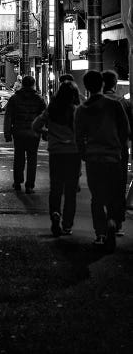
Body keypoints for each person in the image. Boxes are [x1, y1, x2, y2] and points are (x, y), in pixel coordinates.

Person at [75, 69, 130, 252]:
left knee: (97, 196)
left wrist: (84, 153)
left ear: (87, 87)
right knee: (115, 192)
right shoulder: (115, 105)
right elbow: (125, 130)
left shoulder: (82, 109)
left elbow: (79, 136)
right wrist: (118, 147)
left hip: (93, 157)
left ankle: (100, 233)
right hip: (113, 156)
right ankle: (113, 221)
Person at [32, 80, 82, 237]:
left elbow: (35, 125)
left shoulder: (51, 110)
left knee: (56, 188)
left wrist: (46, 133)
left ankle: (55, 213)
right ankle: (67, 225)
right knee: (71, 191)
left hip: (56, 153)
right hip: (73, 154)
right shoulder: (77, 111)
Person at [4, 75, 46, 194]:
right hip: (34, 133)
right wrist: (45, 132)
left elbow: (8, 117)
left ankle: (17, 182)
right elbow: (45, 116)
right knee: (32, 159)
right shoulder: (39, 99)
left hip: (19, 132)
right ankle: (29, 185)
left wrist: (7, 133)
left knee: (19, 157)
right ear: (33, 84)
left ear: (22, 84)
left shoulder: (14, 98)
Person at [102, 70, 133, 234]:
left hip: (98, 151)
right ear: (114, 84)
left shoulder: (93, 103)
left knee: (101, 187)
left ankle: (102, 224)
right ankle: (117, 221)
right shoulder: (124, 103)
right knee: (119, 187)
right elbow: (130, 129)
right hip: (119, 150)